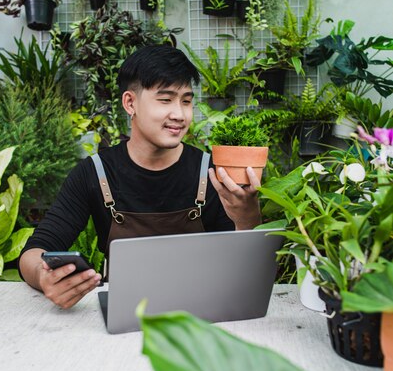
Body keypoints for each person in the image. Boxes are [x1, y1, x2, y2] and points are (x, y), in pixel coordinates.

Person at [19, 45, 262, 309]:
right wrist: (44, 277)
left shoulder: (212, 172)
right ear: (130, 103)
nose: (179, 115)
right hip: (123, 315)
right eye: (165, 99)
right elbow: (34, 252)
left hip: (202, 315)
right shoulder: (95, 173)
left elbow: (245, 273)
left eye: (187, 101)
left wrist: (247, 218)